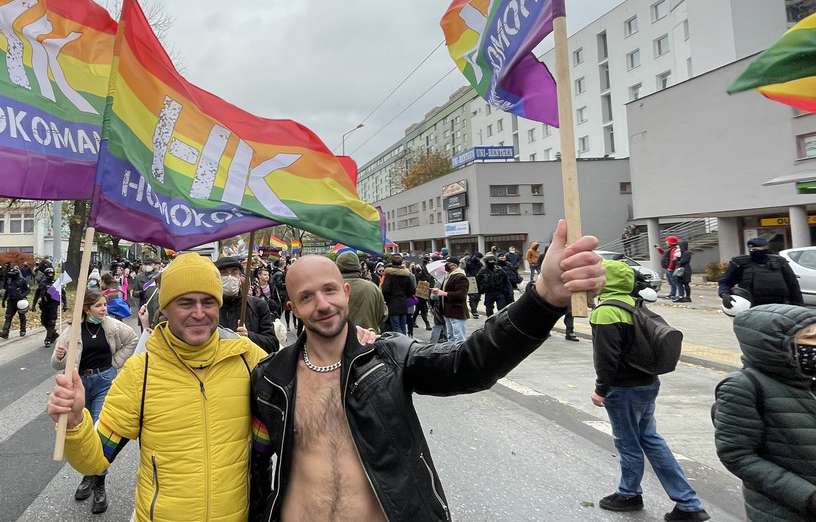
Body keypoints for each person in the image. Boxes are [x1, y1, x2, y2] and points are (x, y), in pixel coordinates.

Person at [248, 220, 606, 521]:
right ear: (293, 307)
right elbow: (256, 468)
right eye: (308, 297)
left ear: (345, 291)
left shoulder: (388, 358)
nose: (323, 304)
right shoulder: (269, 379)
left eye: (329, 290)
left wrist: (544, 297)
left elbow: (470, 363)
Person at [46, 251, 269, 521]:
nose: (199, 313)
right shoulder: (141, 372)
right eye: (185, 303)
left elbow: (268, 449)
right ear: (164, 307)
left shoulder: (250, 360)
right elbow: (93, 461)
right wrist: (74, 423)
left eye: (208, 302)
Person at [590, 259, 710, 521]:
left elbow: (607, 358)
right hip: (647, 382)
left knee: (628, 443)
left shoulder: (606, 311)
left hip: (624, 388)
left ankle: (629, 494)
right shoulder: (634, 303)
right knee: (650, 439)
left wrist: (601, 389)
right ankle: (688, 504)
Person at [714, 304, 816, 521]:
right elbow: (737, 455)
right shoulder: (743, 386)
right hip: (783, 512)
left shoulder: (809, 380)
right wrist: (808, 496)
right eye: (810, 339)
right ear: (775, 345)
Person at [51, 289, 138, 515]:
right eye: (98, 305)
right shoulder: (73, 330)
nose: (103, 309)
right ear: (87, 308)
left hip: (104, 382)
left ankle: (99, 484)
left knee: (99, 436)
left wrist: (115, 363)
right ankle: (88, 475)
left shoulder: (112, 326)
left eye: (104, 304)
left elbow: (133, 339)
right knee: (84, 431)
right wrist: (60, 356)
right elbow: (56, 363)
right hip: (80, 385)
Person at [214, 255, 280, 352]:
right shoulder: (209, 309)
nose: (229, 277)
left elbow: (273, 344)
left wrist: (249, 336)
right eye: (224, 273)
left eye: (234, 273)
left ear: (240, 278)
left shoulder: (258, 306)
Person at [718, 237, 803, 308]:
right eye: (752, 249)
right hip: (752, 307)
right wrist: (725, 294)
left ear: (766, 249)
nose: (754, 252)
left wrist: (798, 305)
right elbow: (725, 282)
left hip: (780, 306)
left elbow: (793, 285)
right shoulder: (739, 263)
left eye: (758, 249)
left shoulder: (779, 263)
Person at [335, 252, 386, 334]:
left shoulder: (331, 290)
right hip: (369, 339)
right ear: (358, 267)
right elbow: (383, 314)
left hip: (340, 340)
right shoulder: (372, 288)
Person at [430, 256, 469, 342]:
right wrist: (438, 291)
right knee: (450, 337)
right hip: (448, 311)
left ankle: (460, 354)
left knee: (458, 337)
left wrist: (444, 293)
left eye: (446, 264)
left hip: (456, 311)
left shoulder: (460, 277)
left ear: (453, 265)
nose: (445, 266)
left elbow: (461, 295)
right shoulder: (448, 276)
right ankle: (451, 354)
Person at [380, 254, 415, 334]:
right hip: (403, 303)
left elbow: (385, 289)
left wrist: (386, 299)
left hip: (392, 303)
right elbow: (412, 290)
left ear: (392, 263)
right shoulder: (406, 275)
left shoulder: (389, 275)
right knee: (403, 327)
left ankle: (400, 344)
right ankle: (405, 344)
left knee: (396, 327)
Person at [0, 264, 32, 339]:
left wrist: (22, 295)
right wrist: (3, 301)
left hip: (20, 301)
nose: (11, 276)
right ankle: (5, 332)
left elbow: (28, 289)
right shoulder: (9, 281)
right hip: (11, 301)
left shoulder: (23, 280)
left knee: (22, 315)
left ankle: (23, 330)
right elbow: (6, 292)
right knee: (8, 316)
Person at [34, 266, 60, 348]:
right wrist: (33, 305)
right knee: (44, 321)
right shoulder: (42, 283)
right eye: (49, 273)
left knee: (51, 322)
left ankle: (48, 339)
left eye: (51, 273)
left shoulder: (56, 283)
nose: (50, 275)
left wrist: (65, 304)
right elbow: (37, 294)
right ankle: (53, 334)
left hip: (53, 304)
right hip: (44, 304)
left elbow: (62, 294)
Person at [410, 262, 435, 332]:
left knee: (419, 309)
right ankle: (427, 324)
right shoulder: (414, 276)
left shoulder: (426, 276)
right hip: (417, 295)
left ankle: (413, 320)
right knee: (421, 309)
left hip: (424, 296)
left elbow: (430, 284)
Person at [464, 251, 484, 318]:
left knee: (478, 297)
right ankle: (474, 310)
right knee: (472, 297)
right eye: (478, 257)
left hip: (478, 281)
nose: (478, 259)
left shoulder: (480, 264)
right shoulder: (468, 262)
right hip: (470, 280)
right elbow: (465, 270)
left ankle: (475, 309)